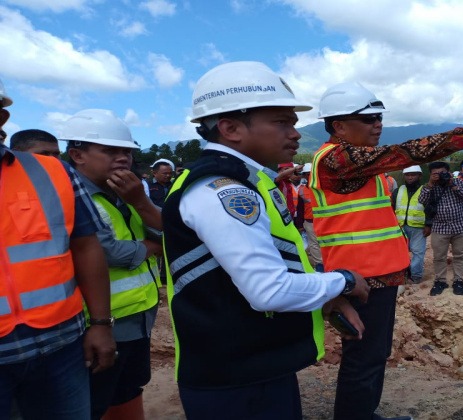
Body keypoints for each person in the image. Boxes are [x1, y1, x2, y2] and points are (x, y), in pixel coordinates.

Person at [311, 80, 463, 420]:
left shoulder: (356, 162)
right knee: (363, 357)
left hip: (378, 272)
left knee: (375, 353)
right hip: (359, 278)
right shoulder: (337, 159)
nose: (378, 125)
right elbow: (419, 149)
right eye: (368, 119)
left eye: (379, 118)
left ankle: (365, 414)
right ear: (338, 125)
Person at [162, 61, 370, 419]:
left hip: (254, 362)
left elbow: (280, 261)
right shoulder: (220, 189)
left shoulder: (251, 180)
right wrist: (344, 281)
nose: (295, 134)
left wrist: (324, 299)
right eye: (282, 122)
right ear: (229, 128)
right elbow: (268, 291)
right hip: (236, 378)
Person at [0, 80, 116, 419]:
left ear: (2, 117)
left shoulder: (52, 171)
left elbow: (86, 246)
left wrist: (101, 323)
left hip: (62, 345)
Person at [63, 109, 162, 420]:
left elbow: (166, 229)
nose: (123, 159)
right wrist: (153, 246)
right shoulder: (70, 195)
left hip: (139, 316)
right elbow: (110, 253)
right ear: (77, 155)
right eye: (110, 151)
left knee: (128, 389)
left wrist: (140, 203)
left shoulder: (124, 192)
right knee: (92, 401)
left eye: (127, 152)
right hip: (97, 325)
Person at [419, 161, 463, 296]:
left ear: (449, 173)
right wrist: (431, 184)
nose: (439, 176)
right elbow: (422, 200)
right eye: (435, 174)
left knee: (461, 256)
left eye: (442, 173)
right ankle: (440, 281)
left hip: (461, 226)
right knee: (439, 256)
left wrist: (453, 185)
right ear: (431, 175)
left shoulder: (458, 182)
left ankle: (458, 280)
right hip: (439, 227)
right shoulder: (429, 187)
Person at [391, 165, 429, 284]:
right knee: (400, 252)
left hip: (418, 227)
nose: (410, 177)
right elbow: (392, 208)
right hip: (400, 227)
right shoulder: (398, 191)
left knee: (418, 252)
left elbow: (430, 209)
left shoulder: (425, 190)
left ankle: (415, 276)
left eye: (413, 174)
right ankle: (402, 274)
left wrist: (429, 224)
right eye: (407, 174)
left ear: (419, 175)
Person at [297, 163, 323, 271]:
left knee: (323, 242)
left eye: (310, 173)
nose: (309, 176)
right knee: (314, 244)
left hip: (323, 220)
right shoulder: (302, 190)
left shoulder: (322, 187)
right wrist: (299, 224)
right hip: (309, 221)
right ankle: (320, 266)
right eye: (306, 174)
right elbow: (300, 208)